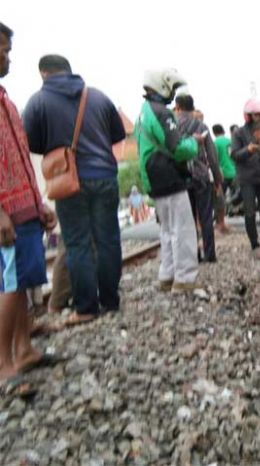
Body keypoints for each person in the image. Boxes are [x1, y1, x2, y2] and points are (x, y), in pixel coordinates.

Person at [23, 54, 125, 324]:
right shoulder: (99, 97)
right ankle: (111, 301)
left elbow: (31, 143)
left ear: (44, 73)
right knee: (108, 240)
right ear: (69, 70)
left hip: (68, 180)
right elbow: (117, 135)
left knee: (78, 243)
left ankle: (86, 308)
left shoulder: (37, 101)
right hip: (104, 175)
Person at [0, 22, 59, 382]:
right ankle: (3, 363)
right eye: (2, 49)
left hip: (23, 209)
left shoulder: (6, 100)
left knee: (22, 281)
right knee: (8, 284)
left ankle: (23, 349)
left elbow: (19, 158)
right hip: (6, 212)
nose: (7, 57)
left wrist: (38, 205)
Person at [137, 68, 201, 292]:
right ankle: (184, 278)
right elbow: (178, 147)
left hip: (154, 178)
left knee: (167, 230)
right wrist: (194, 144)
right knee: (182, 229)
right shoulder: (162, 113)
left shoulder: (144, 112)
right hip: (170, 176)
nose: (173, 93)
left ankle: (167, 275)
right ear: (162, 85)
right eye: (172, 88)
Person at [174, 94, 223, 263]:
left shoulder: (173, 127)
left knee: (188, 220)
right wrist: (217, 179)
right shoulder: (201, 126)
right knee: (206, 217)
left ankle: (193, 255)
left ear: (178, 107)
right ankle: (210, 255)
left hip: (181, 178)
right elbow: (212, 156)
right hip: (201, 176)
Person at [231, 99, 260, 259]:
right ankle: (255, 245)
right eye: (258, 115)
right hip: (247, 180)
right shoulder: (239, 133)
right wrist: (247, 150)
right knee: (249, 213)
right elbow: (234, 155)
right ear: (249, 115)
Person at [212, 124, 234, 234]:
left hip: (223, 174)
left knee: (219, 199)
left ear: (214, 132)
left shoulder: (215, 143)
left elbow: (214, 159)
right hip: (234, 172)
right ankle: (222, 222)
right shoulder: (230, 141)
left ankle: (219, 222)